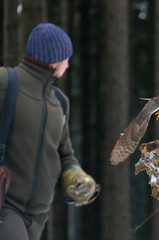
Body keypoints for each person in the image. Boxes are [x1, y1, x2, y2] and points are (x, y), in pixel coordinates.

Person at [0, 23, 100, 240]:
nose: (68, 65)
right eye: (66, 58)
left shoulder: (60, 103)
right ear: (54, 60)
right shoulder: (6, 82)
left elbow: (64, 153)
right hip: (5, 205)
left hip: (37, 215)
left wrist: (76, 176)